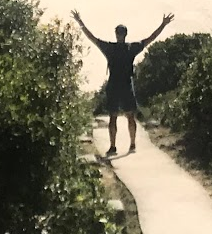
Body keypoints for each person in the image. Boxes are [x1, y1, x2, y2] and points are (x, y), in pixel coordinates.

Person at [72, 10, 172, 157]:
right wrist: (163, 24)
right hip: (126, 84)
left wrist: (80, 22)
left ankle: (113, 146)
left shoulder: (110, 48)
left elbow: (91, 37)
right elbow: (151, 38)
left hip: (114, 84)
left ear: (116, 34)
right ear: (125, 34)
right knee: (130, 116)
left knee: (113, 116)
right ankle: (132, 144)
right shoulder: (131, 48)